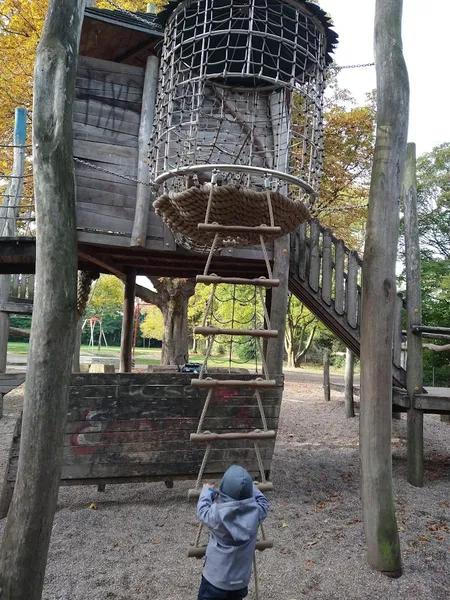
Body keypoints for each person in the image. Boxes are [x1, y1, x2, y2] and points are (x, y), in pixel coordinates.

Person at [196, 464, 270, 600]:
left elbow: (202, 510)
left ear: (223, 490)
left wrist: (207, 491)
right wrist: (249, 488)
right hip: (240, 582)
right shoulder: (256, 513)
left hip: (215, 581)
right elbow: (264, 502)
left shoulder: (216, 515)